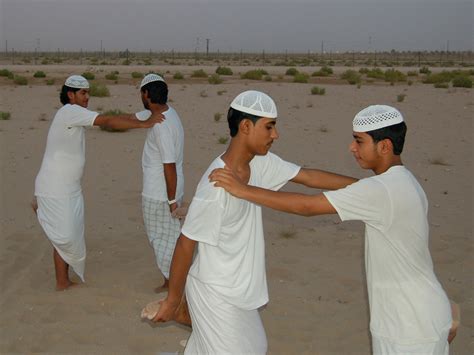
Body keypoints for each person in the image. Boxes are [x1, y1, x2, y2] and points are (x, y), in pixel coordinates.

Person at [210, 105, 454, 354]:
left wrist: (242, 190)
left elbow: (306, 206)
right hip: (424, 315)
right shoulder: (402, 182)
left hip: (408, 327)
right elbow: (341, 186)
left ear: (384, 146)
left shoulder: (382, 191)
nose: (352, 148)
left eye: (359, 141)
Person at [145, 90, 356, 354]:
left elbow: (309, 177)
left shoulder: (261, 163)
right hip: (216, 292)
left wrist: (366, 187)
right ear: (246, 126)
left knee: (253, 346)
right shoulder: (216, 185)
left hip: (242, 289)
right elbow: (186, 243)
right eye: (269, 127)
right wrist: (173, 300)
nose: (275, 135)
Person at [33, 75, 164, 291]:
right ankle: (61, 283)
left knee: (71, 234)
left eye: (88, 93)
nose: (87, 97)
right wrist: (145, 124)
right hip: (55, 188)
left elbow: (111, 117)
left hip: (69, 188)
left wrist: (143, 117)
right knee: (64, 237)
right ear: (70, 95)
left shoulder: (76, 114)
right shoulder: (69, 112)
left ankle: (64, 279)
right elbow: (107, 121)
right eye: (83, 93)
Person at [135, 74, 184, 292]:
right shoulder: (169, 113)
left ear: (146, 94)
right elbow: (133, 118)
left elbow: (169, 164)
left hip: (160, 193)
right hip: (170, 189)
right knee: (170, 235)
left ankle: (173, 284)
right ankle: (171, 281)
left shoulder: (161, 125)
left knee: (161, 238)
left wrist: (171, 200)